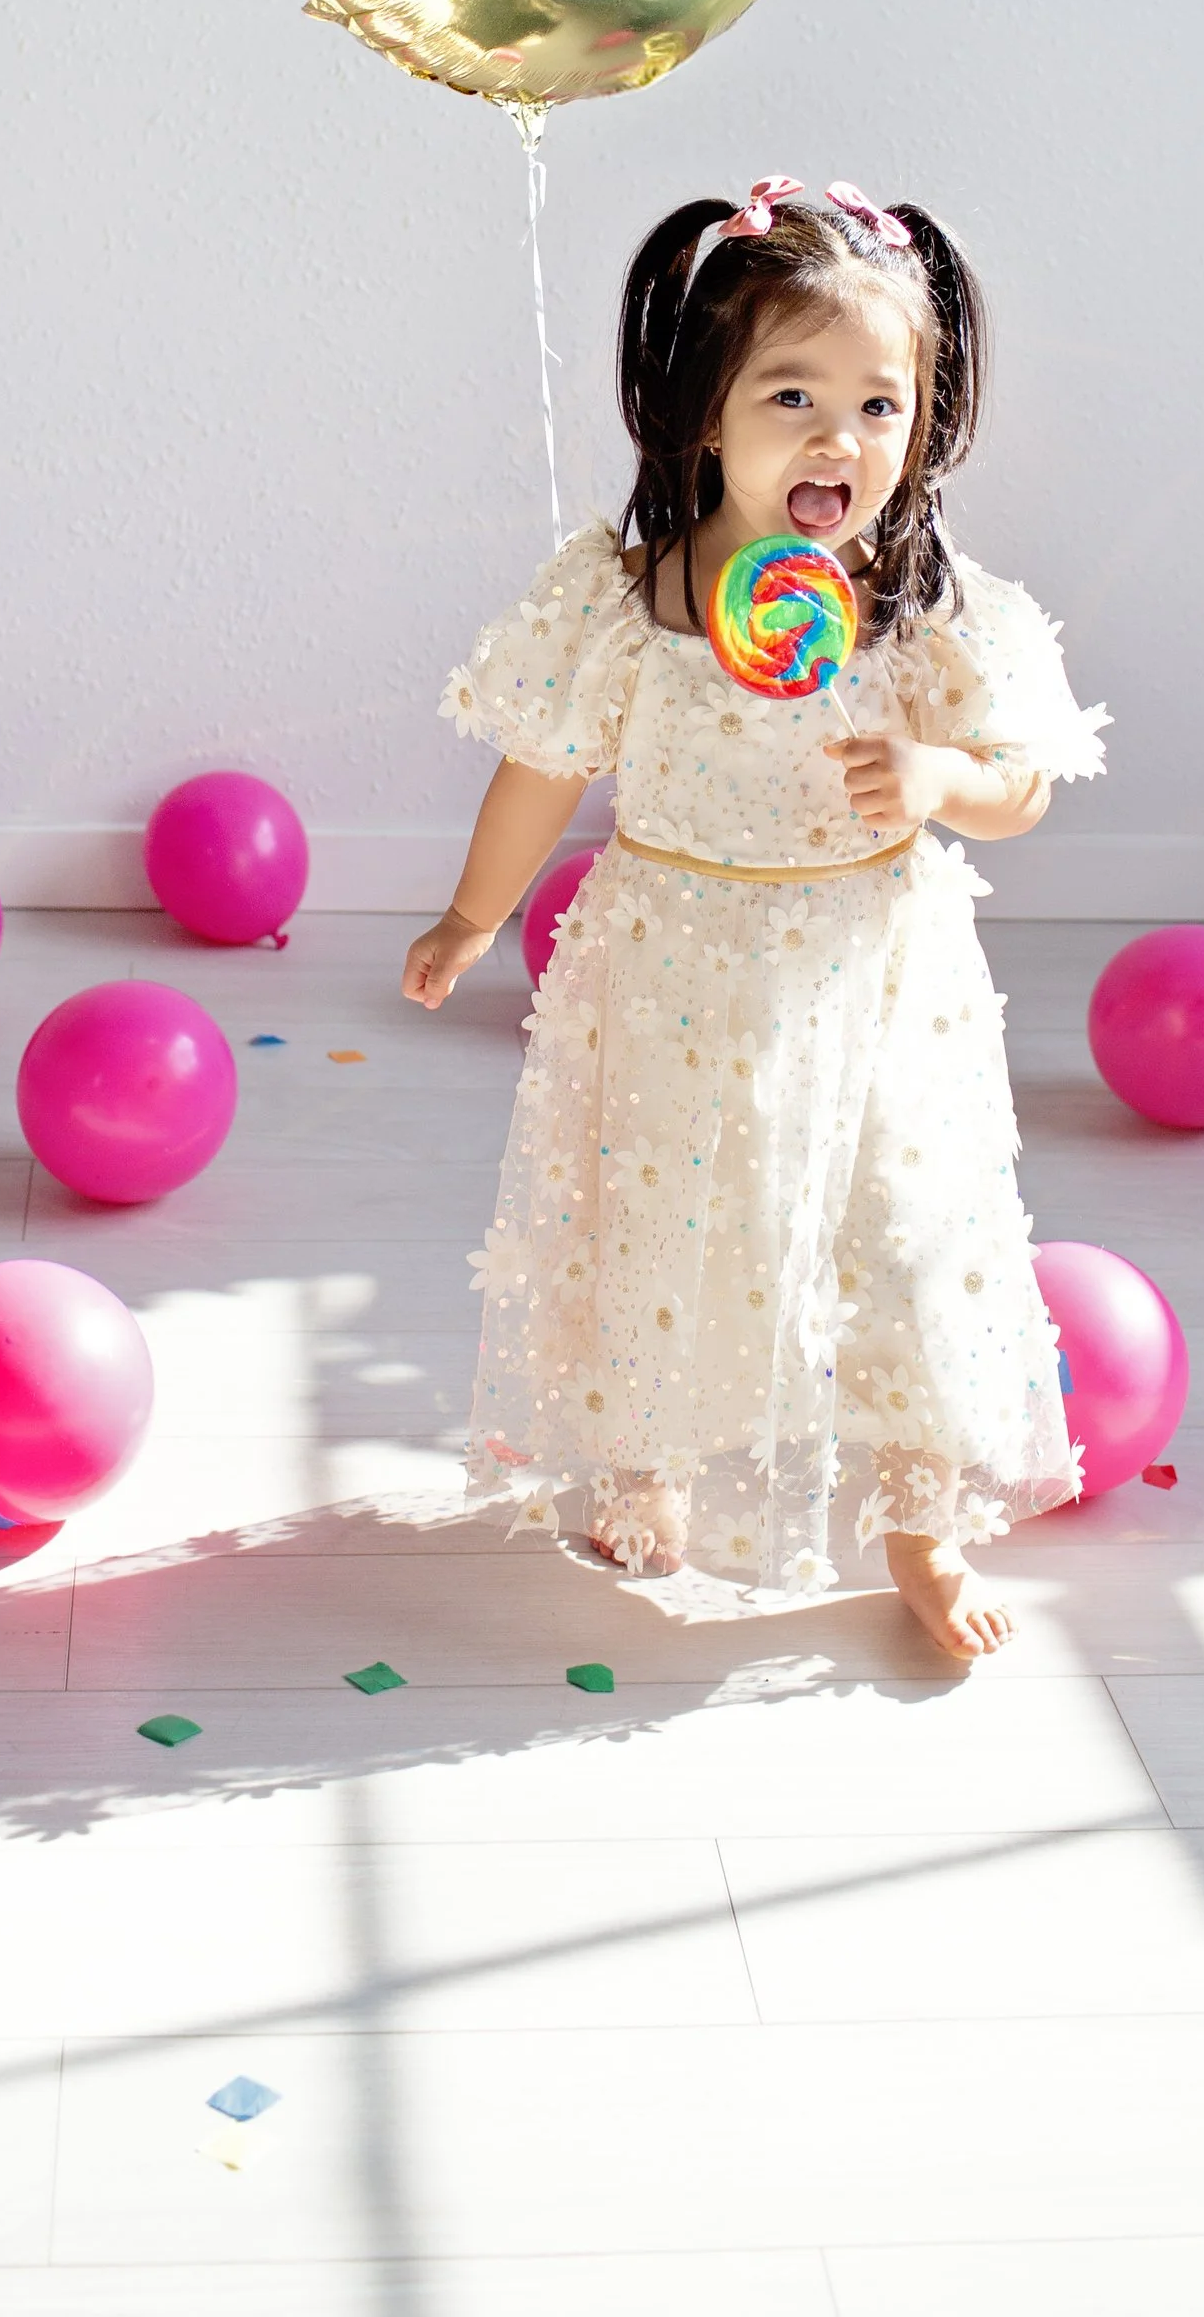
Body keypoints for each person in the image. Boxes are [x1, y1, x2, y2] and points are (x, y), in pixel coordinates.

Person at [402, 176, 1107, 1661]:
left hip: (873, 979)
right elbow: (543, 765)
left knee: (898, 1241)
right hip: (670, 971)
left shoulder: (920, 601)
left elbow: (1021, 783)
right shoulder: (632, 594)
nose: (840, 440)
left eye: (879, 405)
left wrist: (937, 778)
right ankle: (646, 1456)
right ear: (700, 414)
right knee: (667, 1220)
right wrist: (475, 913)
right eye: (793, 393)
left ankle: (922, 1512)